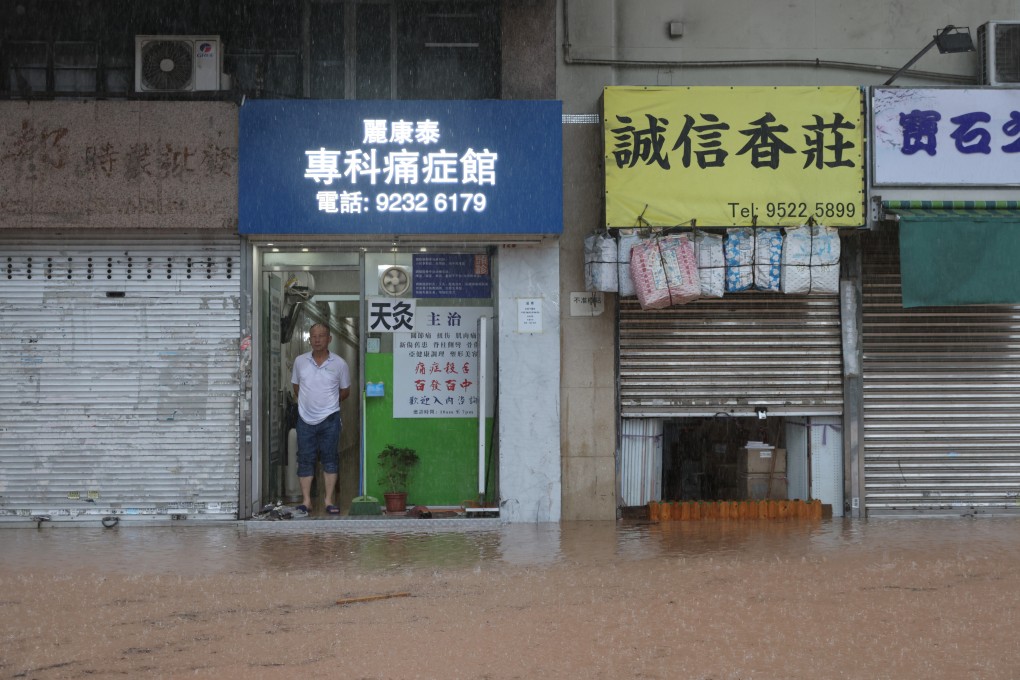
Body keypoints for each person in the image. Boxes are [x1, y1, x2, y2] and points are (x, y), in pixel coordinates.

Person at [291, 323, 351, 516]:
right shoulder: (300, 361)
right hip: (305, 419)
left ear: (329, 339)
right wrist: (309, 404)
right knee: (305, 459)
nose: (317, 340)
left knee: (330, 459)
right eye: (313, 336)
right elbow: (296, 386)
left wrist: (328, 403)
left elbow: (345, 391)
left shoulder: (340, 364)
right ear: (309, 339)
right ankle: (306, 501)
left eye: (321, 336)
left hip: (330, 419)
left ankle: (328, 501)